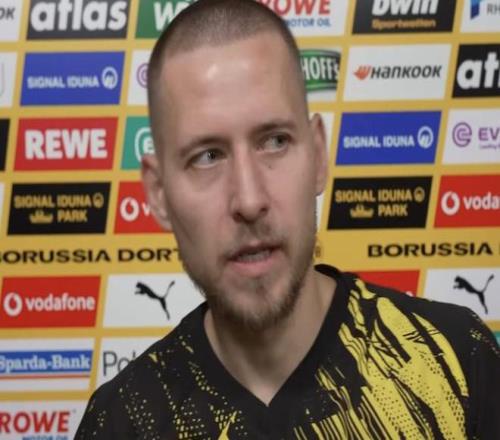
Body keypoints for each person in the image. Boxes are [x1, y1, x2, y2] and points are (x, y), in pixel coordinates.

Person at [75, 0, 500, 438]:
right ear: (159, 194)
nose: (249, 200)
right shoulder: (122, 423)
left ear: (318, 156)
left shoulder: (455, 362)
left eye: (275, 141)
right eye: (207, 156)